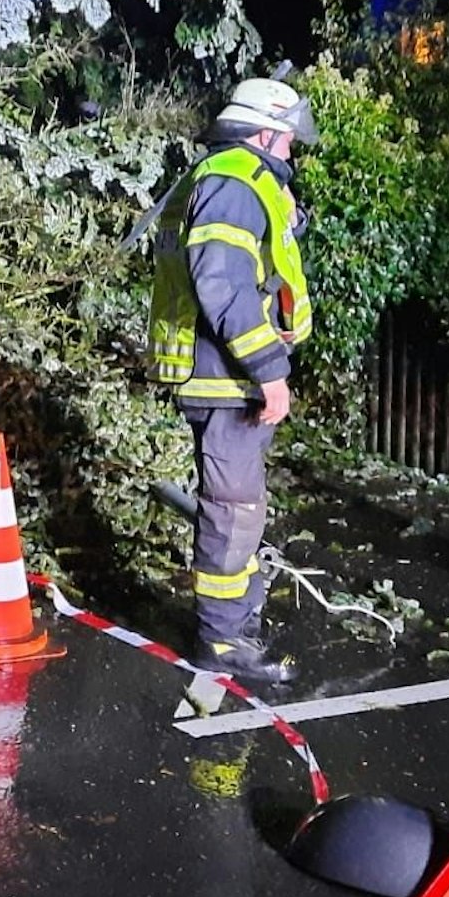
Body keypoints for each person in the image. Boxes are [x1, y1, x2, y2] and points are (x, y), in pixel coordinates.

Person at [145, 76, 317, 683]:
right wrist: (270, 370)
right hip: (229, 377)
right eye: (289, 141)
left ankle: (233, 624)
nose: (291, 153)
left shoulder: (222, 177)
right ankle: (221, 642)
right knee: (233, 511)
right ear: (266, 133)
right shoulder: (238, 181)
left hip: (221, 374)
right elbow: (222, 283)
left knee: (236, 507)